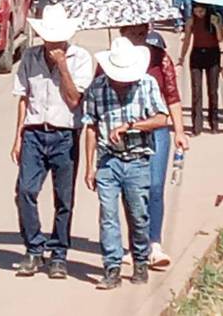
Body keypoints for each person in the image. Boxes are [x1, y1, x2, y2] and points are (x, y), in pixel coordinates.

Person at [11, 4, 94, 279]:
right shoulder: (31, 58)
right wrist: (18, 136)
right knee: (25, 191)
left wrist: (62, 66)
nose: (52, 43)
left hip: (65, 134)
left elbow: (74, 100)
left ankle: (59, 254)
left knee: (64, 198)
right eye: (49, 37)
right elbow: (23, 97)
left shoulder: (80, 58)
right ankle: (34, 248)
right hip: (34, 132)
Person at [83, 37, 170, 290]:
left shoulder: (147, 85)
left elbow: (162, 118)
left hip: (137, 160)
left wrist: (131, 127)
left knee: (138, 215)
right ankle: (111, 267)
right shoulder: (97, 88)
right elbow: (91, 126)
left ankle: (140, 259)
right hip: (108, 161)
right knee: (108, 215)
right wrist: (90, 167)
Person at [119, 23, 187, 268]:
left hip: (157, 129)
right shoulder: (113, 59)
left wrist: (179, 130)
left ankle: (155, 243)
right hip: (128, 131)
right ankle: (136, 244)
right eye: (133, 32)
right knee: (133, 189)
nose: (138, 36)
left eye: (142, 32)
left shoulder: (159, 58)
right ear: (122, 33)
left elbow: (172, 95)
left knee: (155, 186)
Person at [178, 4, 223, 134]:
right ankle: (196, 126)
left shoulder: (215, 18)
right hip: (197, 54)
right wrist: (182, 56)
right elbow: (187, 39)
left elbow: (220, 38)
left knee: (213, 91)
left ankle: (214, 122)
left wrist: (216, 25)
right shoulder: (191, 20)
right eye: (196, 10)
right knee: (196, 91)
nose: (199, 13)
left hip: (213, 54)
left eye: (202, 11)